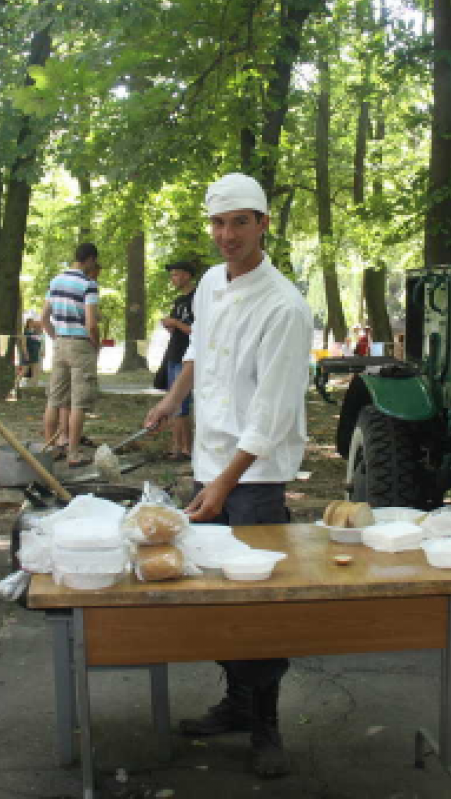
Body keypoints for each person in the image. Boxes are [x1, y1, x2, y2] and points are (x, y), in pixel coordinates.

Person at [143, 173, 312, 779]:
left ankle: (265, 723)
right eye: (218, 223)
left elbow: (271, 413)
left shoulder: (285, 307)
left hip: (257, 476)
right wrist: (172, 400)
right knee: (214, 591)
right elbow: (198, 353)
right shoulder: (211, 283)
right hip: (209, 466)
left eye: (241, 221)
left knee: (260, 602)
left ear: (264, 224)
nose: (227, 235)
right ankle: (237, 703)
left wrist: (227, 484)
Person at [41, 244, 100, 467]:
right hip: (81, 345)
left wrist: (56, 337)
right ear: (90, 259)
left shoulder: (55, 282)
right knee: (78, 402)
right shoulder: (88, 285)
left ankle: (50, 447)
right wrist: (96, 343)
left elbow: (44, 317)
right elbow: (91, 323)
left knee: (54, 398)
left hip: (60, 344)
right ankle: (73, 453)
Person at [159, 259, 197, 462]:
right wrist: (170, 325)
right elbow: (180, 327)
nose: (173, 278)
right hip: (174, 353)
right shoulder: (178, 301)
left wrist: (176, 323)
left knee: (182, 405)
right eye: (172, 275)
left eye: (177, 274)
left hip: (188, 355)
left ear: (187, 275)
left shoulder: (197, 298)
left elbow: (196, 330)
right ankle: (176, 447)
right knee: (173, 403)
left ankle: (186, 449)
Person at [14, 316, 42, 400]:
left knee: (35, 373)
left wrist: (40, 352)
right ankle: (15, 385)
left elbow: (38, 343)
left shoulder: (35, 334)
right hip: (28, 355)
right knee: (24, 371)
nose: (33, 324)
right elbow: (24, 345)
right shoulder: (25, 333)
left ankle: (33, 390)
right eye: (32, 322)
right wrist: (26, 354)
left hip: (35, 355)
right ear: (28, 324)